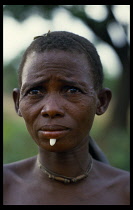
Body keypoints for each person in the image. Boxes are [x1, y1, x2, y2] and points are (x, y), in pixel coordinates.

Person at [3, 31, 130, 205]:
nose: (51, 109)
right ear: (18, 103)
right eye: (35, 91)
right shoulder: (7, 186)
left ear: (101, 101)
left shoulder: (124, 192)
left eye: (72, 90)